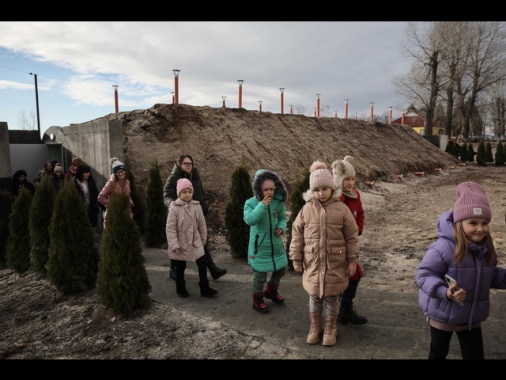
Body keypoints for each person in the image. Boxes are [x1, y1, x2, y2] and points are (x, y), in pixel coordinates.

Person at [416, 181, 506, 360]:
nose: (480, 229)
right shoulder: (443, 248)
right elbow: (424, 274)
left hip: (471, 316)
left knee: (474, 354)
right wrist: (445, 291)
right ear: (459, 223)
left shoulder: (485, 247)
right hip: (442, 314)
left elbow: (490, 274)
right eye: (473, 223)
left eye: (484, 223)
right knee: (438, 351)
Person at [289, 161, 359, 346]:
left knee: (332, 297)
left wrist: (352, 260)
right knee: (314, 296)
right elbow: (296, 234)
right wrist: (295, 258)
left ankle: (330, 327)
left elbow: (352, 236)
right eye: (317, 189)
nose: (321, 193)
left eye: (324, 189)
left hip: (335, 263)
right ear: (312, 191)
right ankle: (315, 326)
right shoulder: (306, 209)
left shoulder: (341, 209)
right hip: (313, 263)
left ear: (332, 188)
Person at [163, 154, 227, 281]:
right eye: (185, 163)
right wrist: (172, 205)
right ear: (179, 164)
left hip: (195, 214)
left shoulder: (195, 176)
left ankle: (212, 270)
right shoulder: (174, 177)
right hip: (179, 215)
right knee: (178, 243)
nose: (188, 165)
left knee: (199, 243)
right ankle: (174, 269)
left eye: (190, 163)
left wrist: (204, 205)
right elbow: (166, 196)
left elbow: (199, 193)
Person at [243, 169, 289, 314]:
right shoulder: (250, 203)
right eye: (265, 189)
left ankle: (271, 291)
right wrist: (262, 205)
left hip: (275, 244)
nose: (269, 192)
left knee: (281, 268)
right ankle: (257, 299)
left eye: (272, 189)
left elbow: (282, 218)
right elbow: (250, 220)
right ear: (258, 189)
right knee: (260, 275)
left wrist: (281, 228)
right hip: (260, 246)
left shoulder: (277, 202)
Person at [166, 178, 218, 298]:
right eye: (184, 192)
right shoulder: (174, 208)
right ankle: (180, 287)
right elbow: (170, 228)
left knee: (202, 264)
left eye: (189, 191)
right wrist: (174, 245)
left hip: (196, 242)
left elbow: (202, 224)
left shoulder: (196, 206)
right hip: (181, 243)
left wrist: (203, 240)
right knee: (180, 267)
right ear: (179, 193)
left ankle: (204, 287)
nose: (187, 194)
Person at [331, 155, 367, 325]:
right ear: (339, 180)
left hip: (350, 243)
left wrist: (358, 229)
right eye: (347, 180)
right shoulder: (336, 198)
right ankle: (335, 311)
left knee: (354, 276)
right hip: (337, 245)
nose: (351, 183)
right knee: (339, 278)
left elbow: (360, 214)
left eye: (353, 179)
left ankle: (345, 310)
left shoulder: (355, 195)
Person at [98, 157, 134, 228]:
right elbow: (101, 196)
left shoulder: (127, 182)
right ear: (114, 173)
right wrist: (111, 205)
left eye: (122, 171)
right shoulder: (111, 183)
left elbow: (128, 195)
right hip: (115, 215)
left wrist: (130, 202)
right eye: (118, 172)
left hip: (126, 213)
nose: (120, 174)